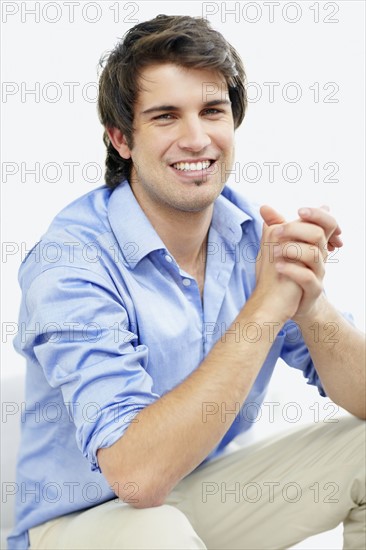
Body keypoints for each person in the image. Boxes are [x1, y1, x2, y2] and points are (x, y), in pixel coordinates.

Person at [8, 14, 365, 550]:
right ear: (121, 138)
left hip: (194, 495)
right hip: (77, 524)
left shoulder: (248, 236)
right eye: (166, 116)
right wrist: (266, 308)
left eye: (212, 111)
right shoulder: (70, 263)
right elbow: (136, 477)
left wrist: (307, 300)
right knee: (158, 530)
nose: (196, 138)